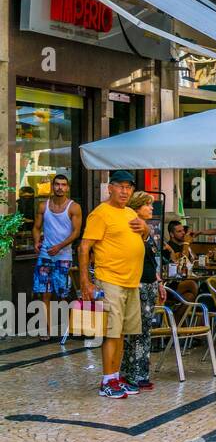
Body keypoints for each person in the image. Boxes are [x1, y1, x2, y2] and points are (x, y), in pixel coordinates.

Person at [78, 170, 148, 399]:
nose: (125, 191)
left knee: (123, 333)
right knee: (111, 333)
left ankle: (116, 376)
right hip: (110, 280)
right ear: (110, 188)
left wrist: (145, 229)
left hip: (131, 281)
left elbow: (142, 236)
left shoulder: (129, 212)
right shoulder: (100, 213)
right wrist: (85, 281)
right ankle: (107, 380)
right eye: (121, 186)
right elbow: (84, 247)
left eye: (129, 187)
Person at [121, 192, 164, 391]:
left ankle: (140, 372)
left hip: (149, 282)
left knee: (144, 330)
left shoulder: (147, 227)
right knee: (136, 330)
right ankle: (134, 374)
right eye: (148, 205)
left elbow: (151, 259)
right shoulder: (134, 226)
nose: (152, 209)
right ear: (138, 207)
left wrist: (158, 281)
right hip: (137, 283)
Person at [32, 174, 81, 341]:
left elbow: (76, 232)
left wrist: (60, 246)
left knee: (63, 293)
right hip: (45, 255)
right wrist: (36, 241)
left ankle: (68, 328)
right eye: (57, 184)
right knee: (44, 293)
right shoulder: (43, 206)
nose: (60, 187)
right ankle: (46, 330)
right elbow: (36, 227)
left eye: (63, 185)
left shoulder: (74, 207)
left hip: (63, 256)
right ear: (53, 186)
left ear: (67, 188)